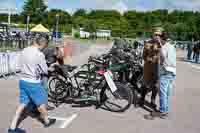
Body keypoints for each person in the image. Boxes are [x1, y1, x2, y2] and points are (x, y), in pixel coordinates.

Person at [8, 34, 56, 133]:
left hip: (23, 80)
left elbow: (20, 64)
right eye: (46, 45)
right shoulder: (39, 54)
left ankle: (12, 128)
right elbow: (44, 70)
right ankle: (47, 121)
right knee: (40, 103)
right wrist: (50, 68)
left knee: (22, 104)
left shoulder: (25, 50)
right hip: (33, 82)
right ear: (43, 43)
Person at [144, 28, 176, 120]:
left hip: (166, 72)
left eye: (158, 36)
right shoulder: (170, 45)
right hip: (170, 72)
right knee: (166, 93)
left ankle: (162, 111)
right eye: (155, 35)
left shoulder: (164, 46)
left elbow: (167, 61)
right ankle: (164, 109)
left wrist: (163, 65)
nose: (156, 38)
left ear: (161, 38)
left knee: (162, 93)